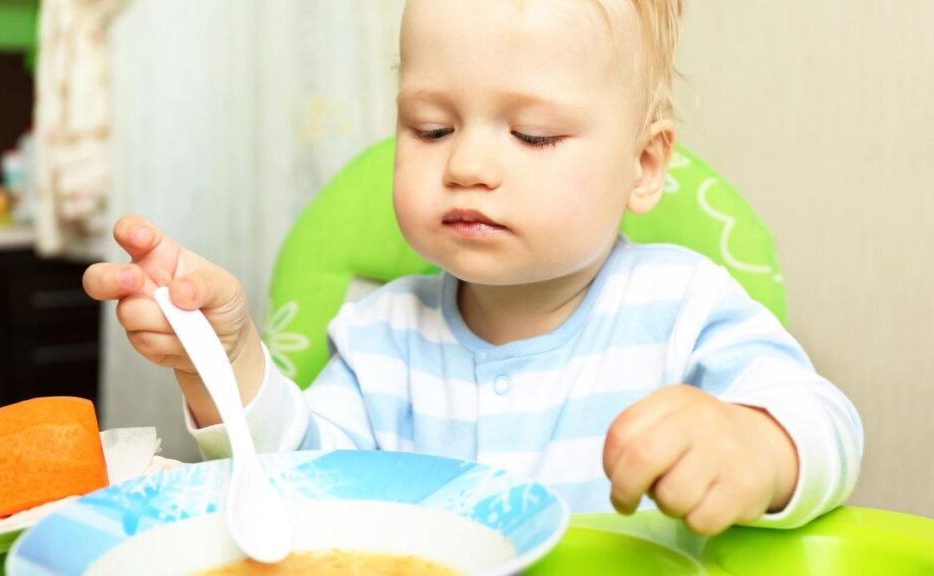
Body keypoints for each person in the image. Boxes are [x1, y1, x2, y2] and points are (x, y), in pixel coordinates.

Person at [83, 0, 863, 535]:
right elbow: (301, 486)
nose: (468, 164)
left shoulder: (684, 305)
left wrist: (761, 446)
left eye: (530, 135)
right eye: (431, 127)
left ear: (645, 164)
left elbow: (827, 422)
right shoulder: (380, 335)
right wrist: (228, 365)